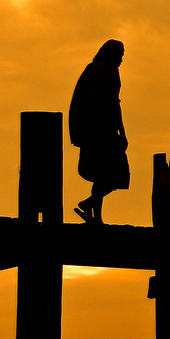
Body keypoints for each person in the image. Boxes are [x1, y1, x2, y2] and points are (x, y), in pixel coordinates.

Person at [69, 39, 129, 224]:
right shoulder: (108, 72)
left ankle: (95, 213)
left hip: (91, 131)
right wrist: (122, 131)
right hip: (103, 131)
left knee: (101, 174)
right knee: (118, 173)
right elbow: (113, 104)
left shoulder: (92, 69)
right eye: (119, 55)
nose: (121, 59)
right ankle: (90, 204)